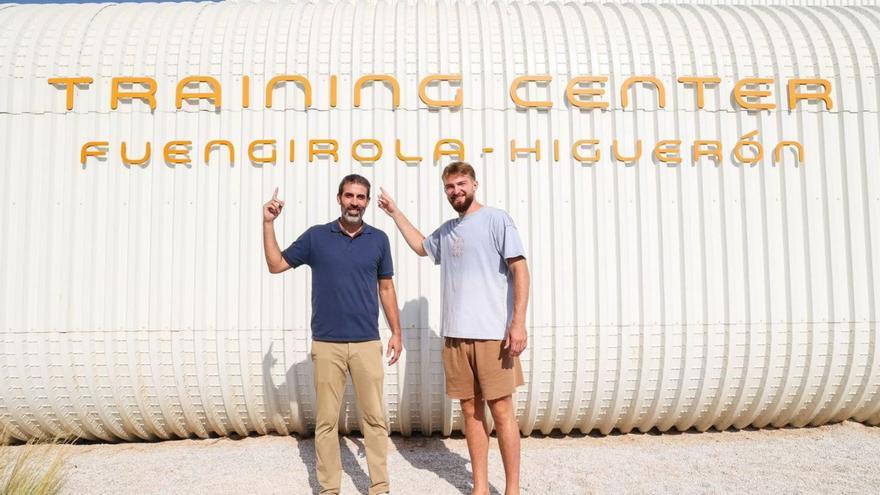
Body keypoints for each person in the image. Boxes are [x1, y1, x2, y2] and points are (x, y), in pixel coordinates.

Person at [377, 161, 530, 495]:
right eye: (450, 187)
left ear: (475, 184)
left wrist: (518, 323)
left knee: (502, 411)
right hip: (455, 337)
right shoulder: (447, 231)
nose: (456, 191)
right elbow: (420, 246)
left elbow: (520, 269)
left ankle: (513, 489)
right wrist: (395, 212)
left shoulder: (497, 220)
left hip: (493, 335)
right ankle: (479, 488)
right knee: (470, 411)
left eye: (461, 184)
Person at [262, 174, 402, 495]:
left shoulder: (379, 239)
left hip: (367, 343)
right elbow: (275, 264)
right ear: (338, 198)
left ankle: (379, 487)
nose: (355, 202)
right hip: (327, 345)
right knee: (326, 423)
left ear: (367, 202)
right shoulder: (316, 237)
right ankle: (329, 489)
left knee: (375, 420)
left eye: (361, 197)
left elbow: (386, 287)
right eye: (349, 195)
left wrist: (397, 331)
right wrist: (268, 223)